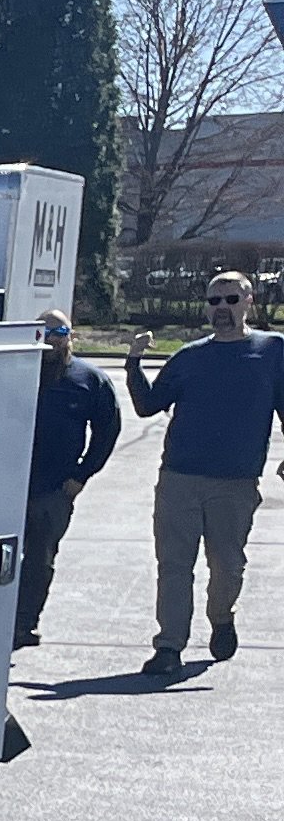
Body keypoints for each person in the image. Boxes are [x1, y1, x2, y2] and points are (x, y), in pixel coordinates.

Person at [124, 271, 284, 677]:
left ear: (249, 300)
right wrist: (133, 361)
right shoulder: (189, 357)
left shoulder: (271, 351)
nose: (222, 309)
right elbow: (148, 406)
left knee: (227, 566)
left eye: (230, 300)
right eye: (214, 302)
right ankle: (169, 645)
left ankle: (222, 616)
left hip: (235, 483)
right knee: (174, 565)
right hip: (179, 478)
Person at [23, 310, 121, 649]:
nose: (51, 338)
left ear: (71, 335)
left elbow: (108, 430)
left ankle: (25, 625)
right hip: (6, 486)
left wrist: (81, 475)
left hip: (54, 488)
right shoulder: (17, 372)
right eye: (44, 331)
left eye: (59, 331)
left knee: (39, 559)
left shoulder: (89, 379)